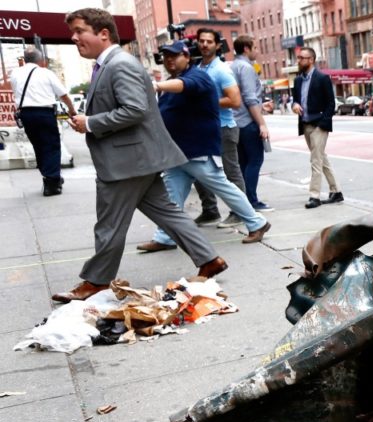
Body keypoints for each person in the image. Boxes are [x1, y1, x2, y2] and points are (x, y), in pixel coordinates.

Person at [55, 8, 226, 302]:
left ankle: (96, 281)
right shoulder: (110, 64)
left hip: (127, 162)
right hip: (137, 158)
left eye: (80, 31)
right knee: (168, 213)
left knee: (109, 224)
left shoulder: (119, 64)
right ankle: (209, 260)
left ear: (103, 33)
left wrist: (91, 123)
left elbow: (135, 109)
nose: (74, 38)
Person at [135, 40, 270, 254]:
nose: (170, 59)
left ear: (187, 57)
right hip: (178, 152)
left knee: (222, 185)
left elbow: (185, 86)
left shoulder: (197, 76)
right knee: (172, 196)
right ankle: (165, 236)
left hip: (198, 149)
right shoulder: (175, 81)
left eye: (175, 55)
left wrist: (157, 85)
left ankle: (257, 222)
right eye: (166, 56)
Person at [191, 28, 246, 227]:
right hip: (203, 129)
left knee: (231, 172)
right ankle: (210, 211)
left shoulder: (222, 69)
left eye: (209, 41)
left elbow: (235, 100)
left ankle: (239, 213)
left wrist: (207, 102)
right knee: (198, 170)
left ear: (217, 46)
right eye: (202, 41)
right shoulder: (198, 68)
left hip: (224, 127)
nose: (205, 44)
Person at [11, 48, 76, 196]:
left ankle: (49, 175)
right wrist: (72, 110)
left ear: (25, 59)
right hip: (44, 113)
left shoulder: (15, 73)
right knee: (51, 145)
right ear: (40, 60)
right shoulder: (46, 73)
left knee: (38, 145)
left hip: (26, 114)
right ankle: (52, 182)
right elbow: (63, 95)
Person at [292, 47, 342, 208]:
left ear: (311, 60)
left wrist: (323, 123)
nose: (298, 60)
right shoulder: (298, 80)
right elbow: (295, 100)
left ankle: (314, 196)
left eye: (302, 58)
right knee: (321, 158)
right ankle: (336, 191)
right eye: (298, 58)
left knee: (315, 160)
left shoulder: (322, 78)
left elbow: (331, 103)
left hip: (319, 125)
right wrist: (295, 105)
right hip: (305, 124)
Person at [232, 35, 272, 212]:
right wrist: (262, 123)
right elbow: (249, 98)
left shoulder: (233, 66)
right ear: (246, 49)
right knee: (255, 160)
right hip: (248, 122)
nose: (257, 50)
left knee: (242, 163)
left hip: (236, 121)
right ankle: (251, 200)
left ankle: (244, 201)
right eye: (255, 47)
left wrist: (260, 106)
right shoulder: (246, 67)